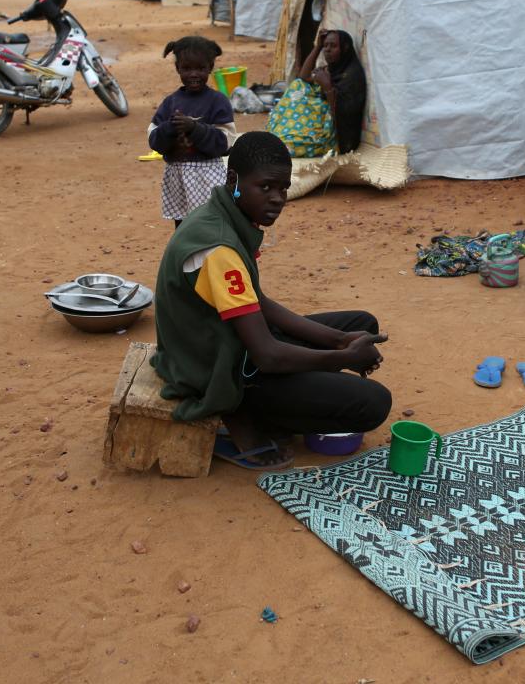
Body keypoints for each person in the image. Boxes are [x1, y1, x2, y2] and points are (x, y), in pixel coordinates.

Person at [153, 131, 391, 469]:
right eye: (265, 187)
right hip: (214, 370)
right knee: (374, 403)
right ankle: (247, 416)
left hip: (229, 341)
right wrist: (343, 357)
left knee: (360, 324)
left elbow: (259, 302)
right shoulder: (217, 247)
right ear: (233, 179)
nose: (278, 198)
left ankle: (284, 401)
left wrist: (340, 341)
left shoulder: (222, 215)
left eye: (282, 188)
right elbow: (266, 356)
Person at [148, 36, 236, 227]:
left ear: (210, 67)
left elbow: (226, 142)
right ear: (177, 68)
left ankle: (210, 256)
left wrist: (195, 128)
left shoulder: (217, 101)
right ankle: (188, 255)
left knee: (211, 222)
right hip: (177, 177)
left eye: (200, 68)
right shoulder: (171, 103)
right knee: (183, 226)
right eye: (187, 69)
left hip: (207, 177)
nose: (194, 74)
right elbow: (153, 139)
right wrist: (170, 128)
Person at [293, 28, 367, 153]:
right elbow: (303, 77)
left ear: (345, 48)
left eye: (333, 46)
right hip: (323, 126)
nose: (327, 49)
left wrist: (327, 86)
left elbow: (343, 116)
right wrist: (317, 47)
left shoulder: (352, 76)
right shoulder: (333, 69)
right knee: (297, 86)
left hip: (342, 139)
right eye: (325, 45)